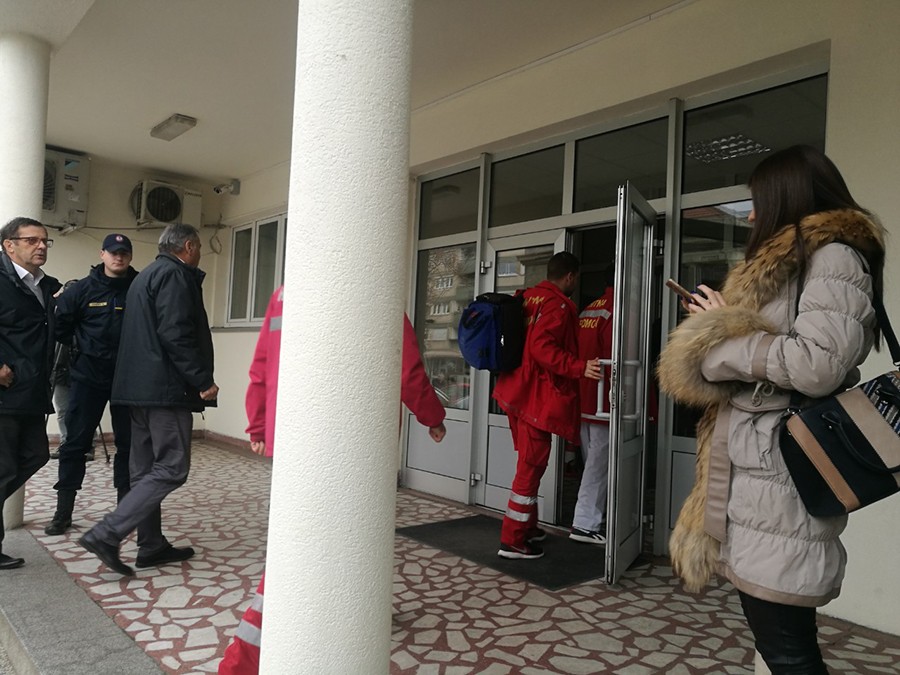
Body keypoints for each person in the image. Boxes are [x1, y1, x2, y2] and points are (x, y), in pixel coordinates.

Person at [657, 145, 885, 673]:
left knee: (787, 650)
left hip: (784, 475)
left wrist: (721, 337)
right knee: (778, 642)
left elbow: (817, 364)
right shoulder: (801, 262)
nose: (751, 216)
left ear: (788, 196)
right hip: (765, 477)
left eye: (757, 202)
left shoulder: (833, 258)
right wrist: (723, 321)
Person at [218, 287, 446, 674]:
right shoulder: (377, 286)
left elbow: (262, 364)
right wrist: (433, 417)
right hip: (355, 448)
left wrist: (258, 424)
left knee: (309, 538)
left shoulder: (284, 293)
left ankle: (353, 614)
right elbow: (406, 368)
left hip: (295, 438)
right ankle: (243, 660)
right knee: (337, 541)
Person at [79, 224, 217, 576]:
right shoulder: (174, 275)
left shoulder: (147, 276)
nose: (200, 253)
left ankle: (151, 545)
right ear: (189, 246)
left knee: (144, 472)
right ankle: (107, 534)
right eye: (199, 247)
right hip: (164, 391)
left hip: (137, 390)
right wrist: (201, 379)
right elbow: (175, 332)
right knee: (171, 467)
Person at [492, 252, 602, 560]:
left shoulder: (528, 297)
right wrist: (579, 367)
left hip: (515, 393)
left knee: (529, 463)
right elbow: (542, 348)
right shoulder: (557, 305)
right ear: (570, 276)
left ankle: (528, 527)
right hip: (534, 398)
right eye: (576, 278)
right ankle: (513, 540)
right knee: (531, 467)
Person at [44, 234, 139, 536]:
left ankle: (125, 512)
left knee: (129, 445)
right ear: (102, 254)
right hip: (88, 377)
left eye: (124, 253)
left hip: (128, 378)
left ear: (130, 256)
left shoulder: (140, 287)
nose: (118, 257)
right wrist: (83, 348)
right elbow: (61, 327)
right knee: (75, 443)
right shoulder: (82, 290)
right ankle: (63, 513)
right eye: (113, 252)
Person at [0, 217, 61, 569]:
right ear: (9, 245)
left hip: (32, 392)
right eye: (32, 240)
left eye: (45, 241)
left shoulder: (45, 286)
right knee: (4, 467)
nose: (41, 246)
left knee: (36, 454)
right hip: (4, 393)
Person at [570, 262, 615, 545]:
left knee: (593, 463)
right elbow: (617, 357)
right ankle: (585, 524)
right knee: (598, 467)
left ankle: (590, 518)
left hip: (586, 398)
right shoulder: (617, 308)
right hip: (605, 400)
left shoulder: (589, 308)